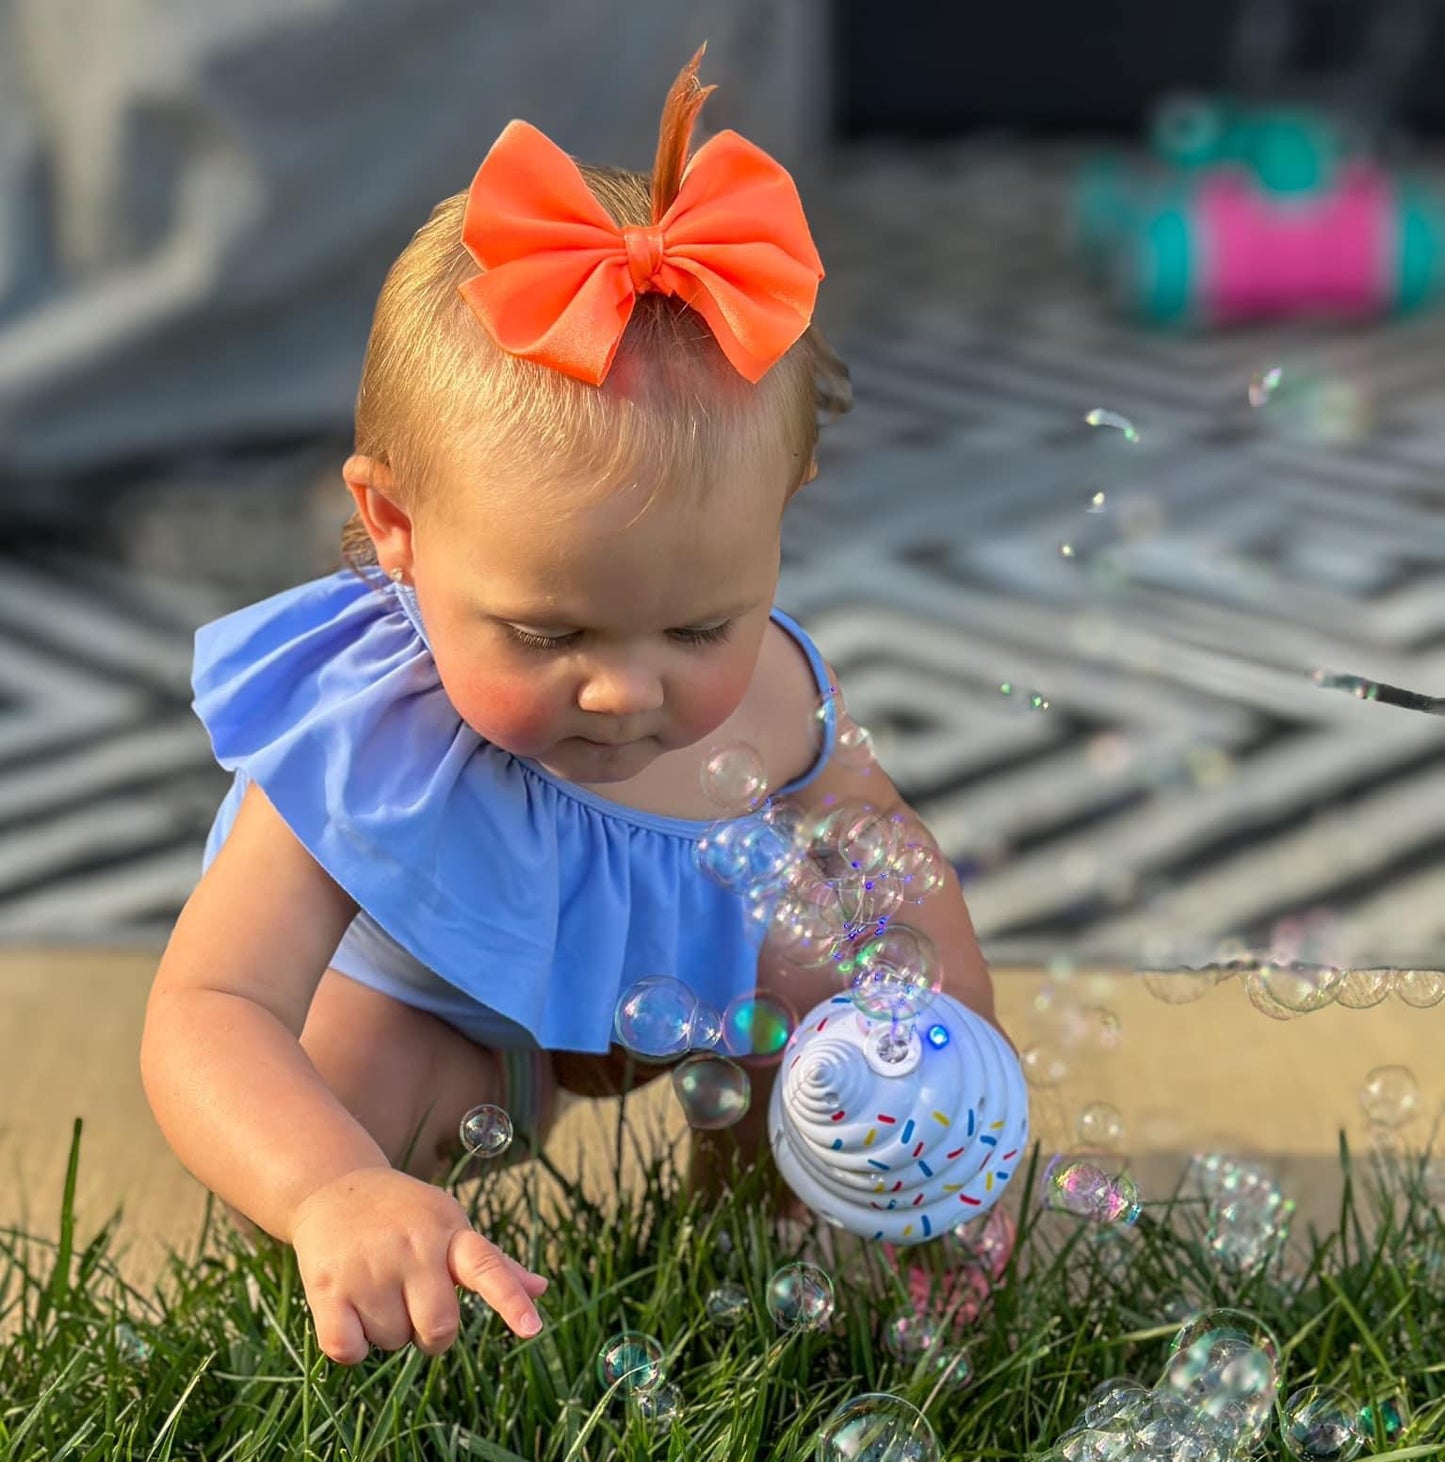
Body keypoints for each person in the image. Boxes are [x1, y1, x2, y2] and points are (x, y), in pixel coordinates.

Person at [139, 46, 999, 1369]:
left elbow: (895, 874)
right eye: (547, 631)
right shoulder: (370, 743)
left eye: (699, 623)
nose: (626, 688)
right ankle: (386, 1253)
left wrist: (954, 1068)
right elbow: (210, 1007)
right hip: (456, 1023)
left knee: (832, 984)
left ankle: (772, 1257)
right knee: (352, 1083)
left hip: (684, 1005)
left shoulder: (769, 695)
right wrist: (327, 1188)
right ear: (395, 528)